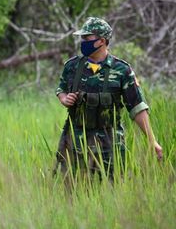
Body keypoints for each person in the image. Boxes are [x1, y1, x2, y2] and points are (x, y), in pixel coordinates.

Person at [54, 17, 162, 182]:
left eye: (87, 38)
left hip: (109, 144)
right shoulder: (72, 67)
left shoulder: (122, 70)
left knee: (111, 188)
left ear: (101, 41)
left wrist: (151, 141)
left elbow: (137, 107)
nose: (82, 42)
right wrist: (64, 98)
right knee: (71, 188)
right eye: (82, 38)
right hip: (75, 141)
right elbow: (61, 89)